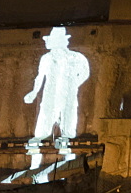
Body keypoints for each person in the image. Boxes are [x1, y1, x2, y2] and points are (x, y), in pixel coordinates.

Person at [24, 26, 90, 168]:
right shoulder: (46, 58)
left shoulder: (76, 57)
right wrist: (34, 92)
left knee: (68, 135)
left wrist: (74, 85)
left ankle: (68, 170)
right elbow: (40, 77)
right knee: (39, 135)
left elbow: (85, 73)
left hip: (68, 100)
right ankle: (34, 169)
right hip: (50, 99)